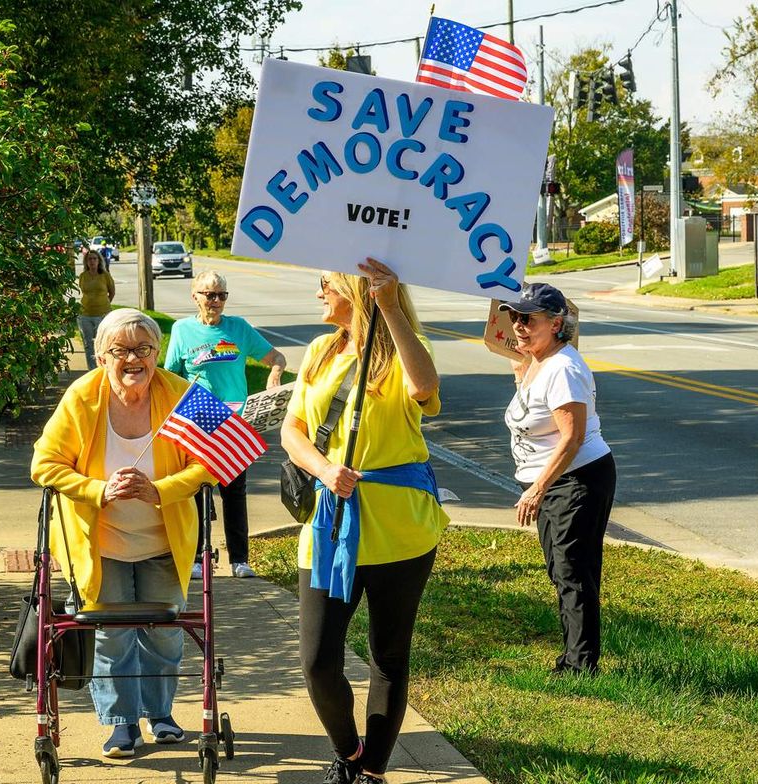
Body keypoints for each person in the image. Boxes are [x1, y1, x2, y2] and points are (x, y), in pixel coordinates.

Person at [280, 259, 447, 784]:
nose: (318, 294)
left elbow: (424, 389)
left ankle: (371, 771)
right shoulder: (320, 350)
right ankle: (350, 752)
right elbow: (292, 430)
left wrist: (390, 307)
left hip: (402, 529)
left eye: (325, 284)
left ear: (352, 291)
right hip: (328, 528)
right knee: (317, 659)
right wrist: (325, 469)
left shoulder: (405, 347)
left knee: (388, 655)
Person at [30, 308, 215, 758]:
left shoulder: (182, 394)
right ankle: (121, 724)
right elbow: (44, 465)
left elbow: (208, 462)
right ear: (101, 357)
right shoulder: (81, 397)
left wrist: (159, 489)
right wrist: (98, 489)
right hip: (99, 543)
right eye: (120, 350)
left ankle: (161, 713)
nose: (133, 358)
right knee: (111, 635)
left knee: (165, 632)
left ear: (157, 354)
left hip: (163, 539)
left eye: (144, 349)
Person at [500, 282, 617, 677]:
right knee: (563, 569)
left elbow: (572, 437)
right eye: (515, 316)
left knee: (573, 571)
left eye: (528, 319)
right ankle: (573, 656)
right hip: (557, 482)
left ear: (556, 322)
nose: (518, 325)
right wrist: (521, 372)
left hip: (577, 479)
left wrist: (538, 488)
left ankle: (581, 666)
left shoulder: (564, 368)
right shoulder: (537, 361)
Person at [164, 270, 286, 579]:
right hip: (198, 420)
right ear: (196, 297)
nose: (216, 301)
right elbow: (168, 376)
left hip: (234, 423)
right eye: (209, 295)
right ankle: (196, 558)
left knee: (234, 491)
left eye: (221, 295)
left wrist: (274, 373)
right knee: (196, 489)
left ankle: (239, 560)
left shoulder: (239, 329)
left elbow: (277, 357)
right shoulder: (182, 330)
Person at [77, 249, 115, 370]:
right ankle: (92, 370)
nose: (92, 261)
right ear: (86, 262)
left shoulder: (105, 275)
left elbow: (112, 292)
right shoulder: (83, 276)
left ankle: (104, 368)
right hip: (85, 315)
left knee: (102, 344)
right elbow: (83, 291)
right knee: (89, 345)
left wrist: (105, 304)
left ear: (99, 261)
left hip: (102, 315)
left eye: (94, 259)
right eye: (89, 259)